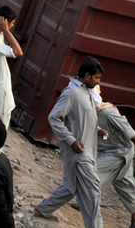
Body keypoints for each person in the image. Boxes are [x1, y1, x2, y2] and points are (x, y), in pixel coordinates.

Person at [34, 56, 104, 227]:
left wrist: (97, 130)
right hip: (78, 152)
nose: (98, 82)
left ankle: (43, 210)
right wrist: (71, 140)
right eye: (96, 78)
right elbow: (54, 117)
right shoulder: (71, 93)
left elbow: (81, 119)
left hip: (86, 150)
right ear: (87, 76)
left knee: (70, 187)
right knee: (92, 191)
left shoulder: (87, 92)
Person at [96, 100, 135, 228]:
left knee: (91, 175)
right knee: (123, 181)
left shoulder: (108, 113)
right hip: (112, 150)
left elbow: (130, 132)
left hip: (119, 151)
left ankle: (89, 204)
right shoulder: (91, 112)